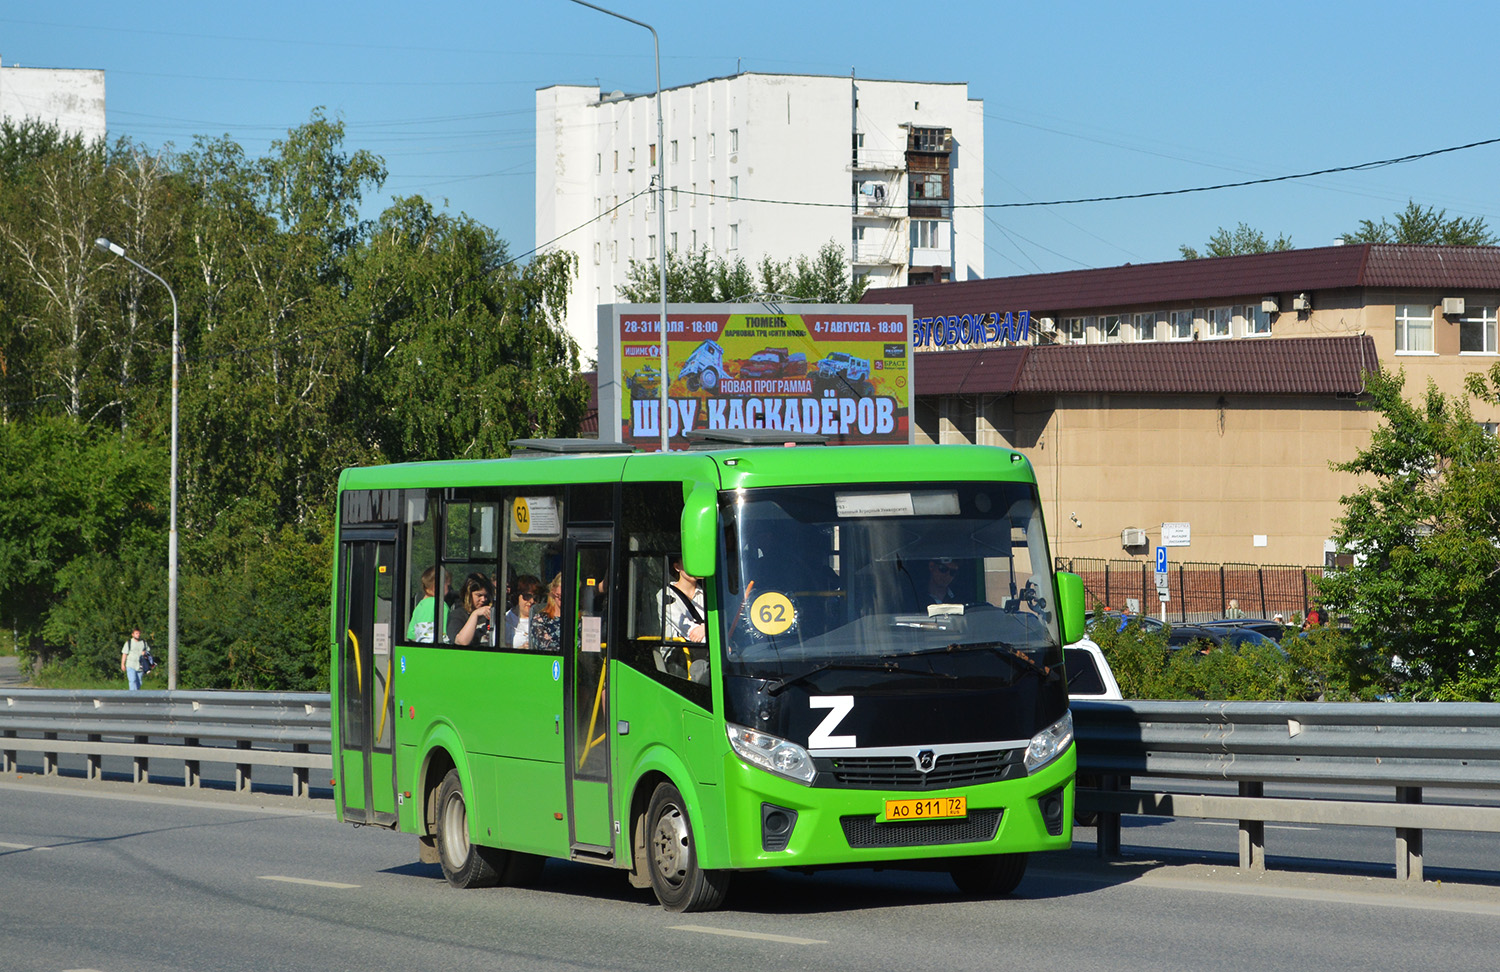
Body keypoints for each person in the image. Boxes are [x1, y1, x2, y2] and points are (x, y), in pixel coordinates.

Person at [659, 558, 708, 682]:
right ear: (677, 567)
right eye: (689, 563)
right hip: (677, 652)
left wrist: (706, 629)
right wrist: (712, 636)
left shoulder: (706, 594)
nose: (694, 567)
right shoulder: (665, 594)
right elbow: (689, 631)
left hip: (705, 649)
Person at [448, 573, 497, 647]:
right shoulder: (457, 615)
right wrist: (475, 614)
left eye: (486, 596)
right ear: (468, 595)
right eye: (479, 595)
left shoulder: (493, 613)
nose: (483, 599)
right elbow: (461, 641)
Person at [504, 575, 542, 649]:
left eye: (536, 597)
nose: (532, 601)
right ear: (516, 596)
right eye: (527, 596)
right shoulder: (505, 620)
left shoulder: (543, 620)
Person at [529, 572, 564, 652]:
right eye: (560, 596)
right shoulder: (540, 620)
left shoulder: (582, 619)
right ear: (553, 591)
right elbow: (545, 647)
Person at [407, 566, 441, 643]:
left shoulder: (419, 606)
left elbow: (411, 634)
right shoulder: (440, 605)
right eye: (447, 585)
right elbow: (447, 634)